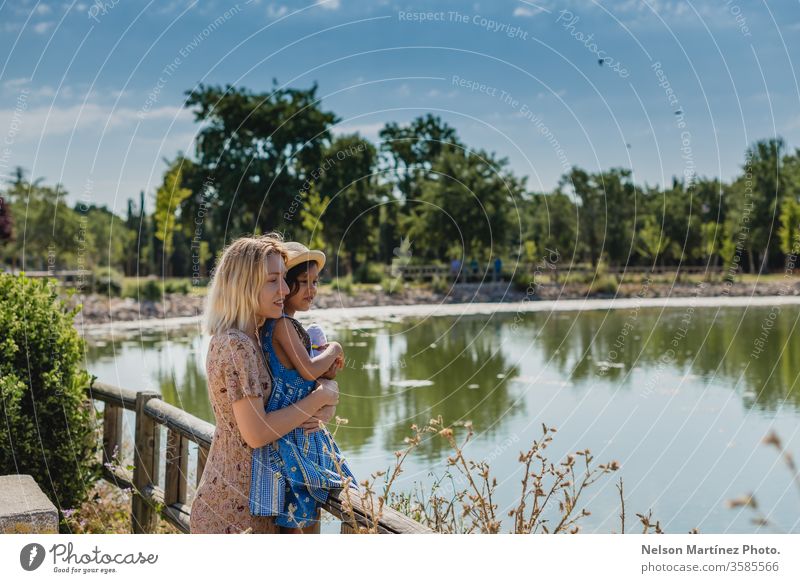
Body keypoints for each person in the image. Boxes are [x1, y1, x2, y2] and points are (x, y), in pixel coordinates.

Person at [190, 235, 340, 534]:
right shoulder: (236, 345)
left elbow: (285, 403)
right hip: (233, 512)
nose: (285, 290)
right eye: (273, 280)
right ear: (244, 285)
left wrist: (327, 402)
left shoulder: (257, 338)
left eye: (284, 279)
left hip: (257, 504)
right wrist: (320, 397)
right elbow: (257, 432)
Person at [250, 241, 357, 533]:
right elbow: (308, 371)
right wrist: (334, 348)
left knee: (307, 511)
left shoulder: (286, 326)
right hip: (291, 435)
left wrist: (328, 376)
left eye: (316, 283)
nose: (311, 290)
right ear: (286, 284)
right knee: (300, 516)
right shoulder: (283, 325)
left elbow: (306, 375)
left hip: (298, 427)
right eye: (303, 283)